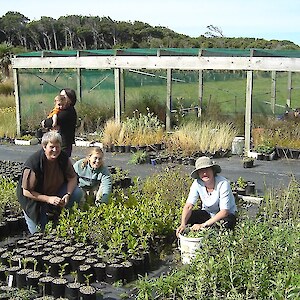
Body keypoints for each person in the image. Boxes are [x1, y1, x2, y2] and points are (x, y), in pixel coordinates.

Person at [17, 131, 83, 234]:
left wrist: (68, 194)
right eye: (51, 147)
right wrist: (48, 199)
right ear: (44, 147)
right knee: (39, 233)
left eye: (57, 147)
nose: (55, 150)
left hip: (54, 192)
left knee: (77, 193)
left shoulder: (63, 158)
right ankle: (45, 213)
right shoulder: (34, 164)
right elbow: (26, 192)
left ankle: (58, 214)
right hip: (34, 200)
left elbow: (73, 178)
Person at [176, 156, 237, 236]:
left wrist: (203, 225)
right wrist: (183, 224)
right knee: (190, 217)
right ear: (198, 173)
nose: (204, 173)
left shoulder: (223, 183)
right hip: (208, 213)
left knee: (223, 225)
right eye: (201, 171)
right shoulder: (197, 183)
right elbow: (189, 206)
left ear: (213, 170)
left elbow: (224, 212)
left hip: (225, 216)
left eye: (207, 169)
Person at [42, 88, 77, 157]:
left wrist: (45, 122)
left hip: (62, 145)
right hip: (59, 144)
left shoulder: (67, 112)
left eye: (63, 97)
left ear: (70, 99)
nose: (61, 98)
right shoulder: (62, 110)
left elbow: (48, 123)